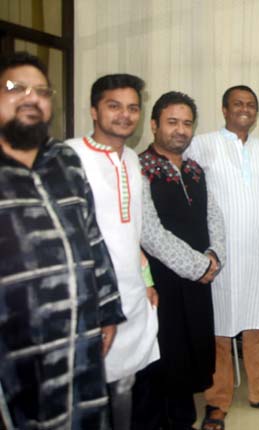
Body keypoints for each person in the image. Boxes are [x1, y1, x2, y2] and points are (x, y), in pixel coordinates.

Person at [67, 74, 220, 430]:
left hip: (139, 295)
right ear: (94, 110)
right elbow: (149, 233)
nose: (124, 115)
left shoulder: (131, 165)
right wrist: (192, 266)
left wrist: (145, 279)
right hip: (92, 300)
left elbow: (132, 233)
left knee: (145, 385)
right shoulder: (70, 157)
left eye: (131, 107)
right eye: (114, 106)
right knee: (98, 395)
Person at [0, 51, 125, 430]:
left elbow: (92, 239)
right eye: (15, 88)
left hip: (80, 338)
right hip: (16, 354)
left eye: (41, 90)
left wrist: (108, 308)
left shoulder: (64, 160)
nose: (31, 97)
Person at [186, 85, 259, 428]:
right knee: (219, 329)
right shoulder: (202, 144)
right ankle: (217, 401)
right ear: (224, 109)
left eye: (250, 105)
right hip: (221, 255)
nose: (244, 110)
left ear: (256, 112)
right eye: (238, 104)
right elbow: (187, 194)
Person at [138, 91, 226, 429]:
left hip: (198, 282)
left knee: (193, 353)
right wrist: (198, 266)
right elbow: (150, 233)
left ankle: (184, 419)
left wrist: (215, 255)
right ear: (154, 124)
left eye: (187, 123)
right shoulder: (140, 168)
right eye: (172, 122)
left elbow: (213, 216)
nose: (181, 130)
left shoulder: (193, 169)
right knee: (167, 358)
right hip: (162, 283)